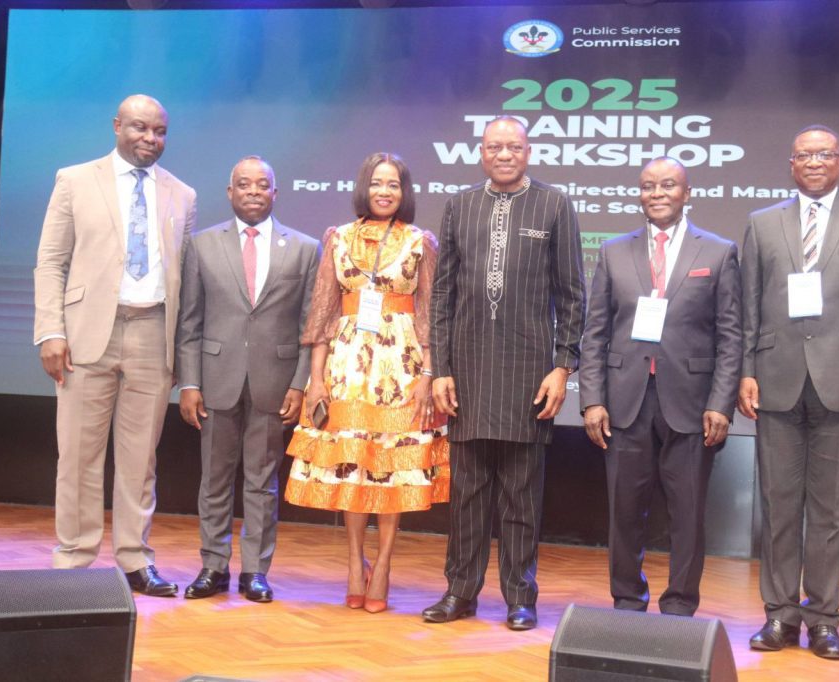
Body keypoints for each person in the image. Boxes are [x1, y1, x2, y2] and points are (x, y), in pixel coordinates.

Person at [739, 125, 839, 659]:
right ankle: (779, 616)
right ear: (791, 164)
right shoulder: (762, 223)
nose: (813, 161)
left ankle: (823, 619)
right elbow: (748, 305)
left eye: (823, 154)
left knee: (831, 510)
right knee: (778, 505)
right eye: (803, 155)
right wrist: (745, 369)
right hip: (775, 379)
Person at [423, 116, 586, 631]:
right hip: (467, 372)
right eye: (495, 147)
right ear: (482, 152)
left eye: (513, 146)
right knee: (467, 494)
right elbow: (442, 294)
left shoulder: (554, 204)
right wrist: (440, 369)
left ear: (528, 152)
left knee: (520, 494)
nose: (504, 154)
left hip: (528, 371)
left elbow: (572, 294)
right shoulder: (460, 205)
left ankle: (520, 597)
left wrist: (562, 366)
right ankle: (460, 592)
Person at [33, 94, 196, 595]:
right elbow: (51, 261)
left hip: (153, 332)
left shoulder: (183, 194)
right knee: (77, 456)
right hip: (86, 335)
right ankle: (74, 558)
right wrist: (51, 331)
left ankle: (134, 559)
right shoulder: (75, 180)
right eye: (140, 127)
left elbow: (184, 276)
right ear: (117, 126)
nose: (151, 138)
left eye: (160, 131)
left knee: (140, 459)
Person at [285, 152, 448, 614]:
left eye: (393, 184)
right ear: (364, 187)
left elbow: (431, 315)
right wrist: (316, 380)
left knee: (392, 470)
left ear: (404, 192)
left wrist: (428, 374)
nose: (384, 191)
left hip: (402, 367)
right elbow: (323, 312)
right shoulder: (337, 238)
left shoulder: (420, 241)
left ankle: (386, 563)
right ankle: (355, 565)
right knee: (352, 468)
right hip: (347, 368)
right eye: (377, 183)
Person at [580, 157, 742, 616]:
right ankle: (627, 600)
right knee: (624, 511)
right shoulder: (613, 251)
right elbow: (595, 332)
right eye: (648, 186)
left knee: (687, 513)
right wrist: (591, 400)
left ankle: (680, 605)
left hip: (692, 403)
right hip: (625, 401)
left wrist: (721, 403)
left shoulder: (718, 252)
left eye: (668, 185)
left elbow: (731, 335)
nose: (657, 193)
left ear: (687, 193)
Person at [176, 156, 318, 603]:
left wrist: (299, 384)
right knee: (214, 479)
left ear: (275, 192)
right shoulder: (202, 245)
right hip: (215, 380)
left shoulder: (305, 248)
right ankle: (213, 566)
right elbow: (189, 321)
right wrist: (189, 382)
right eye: (244, 184)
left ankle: (255, 571)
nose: (253, 191)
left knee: (262, 482)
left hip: (275, 383)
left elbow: (309, 327)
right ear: (230, 192)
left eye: (262, 184)